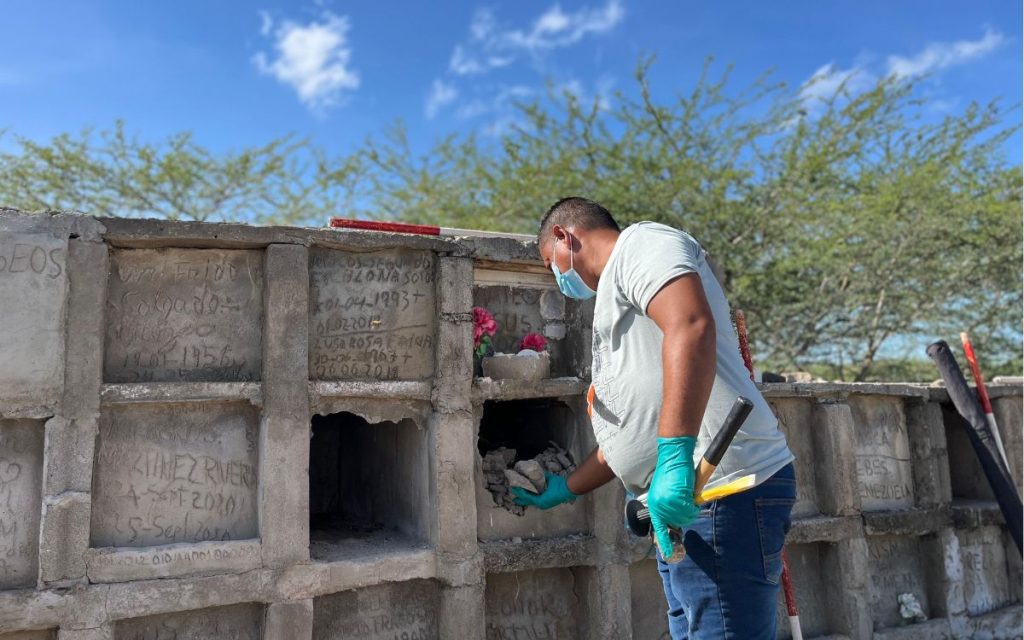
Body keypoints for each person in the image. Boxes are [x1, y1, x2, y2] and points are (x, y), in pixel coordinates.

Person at [512, 197, 796, 639]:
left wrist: (675, 457)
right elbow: (631, 437)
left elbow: (690, 325)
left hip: (721, 489)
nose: (560, 279)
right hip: (681, 506)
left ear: (565, 238)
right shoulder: (615, 305)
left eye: (553, 265)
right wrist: (564, 489)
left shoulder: (642, 244)